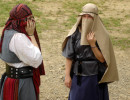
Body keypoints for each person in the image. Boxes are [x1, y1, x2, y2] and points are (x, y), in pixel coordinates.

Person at [62, 3, 119, 100]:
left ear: (95, 18)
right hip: (78, 76)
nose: (86, 18)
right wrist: (67, 76)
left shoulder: (102, 35)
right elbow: (69, 57)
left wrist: (92, 44)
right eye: (84, 16)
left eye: (90, 16)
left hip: (95, 77)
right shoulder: (74, 34)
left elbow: (102, 59)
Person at [0, 4, 45, 100]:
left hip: (11, 80)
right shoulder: (18, 37)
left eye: (32, 18)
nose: (31, 22)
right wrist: (32, 35)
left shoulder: (7, 31)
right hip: (21, 83)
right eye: (28, 19)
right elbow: (36, 60)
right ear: (19, 21)